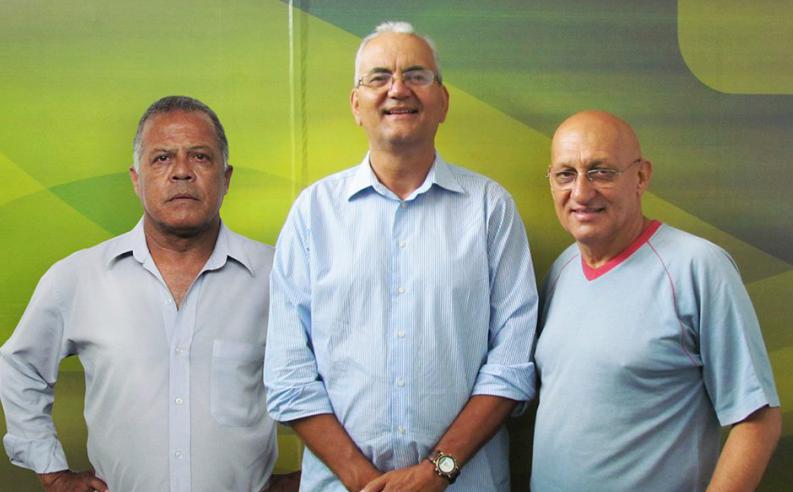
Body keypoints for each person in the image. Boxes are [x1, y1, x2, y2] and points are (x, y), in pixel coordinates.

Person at [264, 21, 537, 492]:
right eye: (378, 77)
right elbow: (289, 374)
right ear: (356, 104)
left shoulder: (490, 208)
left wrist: (437, 472)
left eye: (416, 75)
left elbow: (510, 367)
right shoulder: (313, 213)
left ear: (443, 101)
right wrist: (362, 480)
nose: (397, 89)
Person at [0, 96, 299, 491]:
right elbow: (20, 367)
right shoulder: (78, 278)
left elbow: (340, 376)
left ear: (226, 178)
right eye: (161, 158)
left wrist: (315, 478)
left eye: (200, 157)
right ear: (136, 179)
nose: (182, 172)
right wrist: (52, 472)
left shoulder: (279, 277)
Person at [532, 110, 782, 491]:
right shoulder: (561, 271)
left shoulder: (698, 267)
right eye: (566, 174)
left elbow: (758, 421)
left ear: (641, 176)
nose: (581, 192)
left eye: (601, 172)